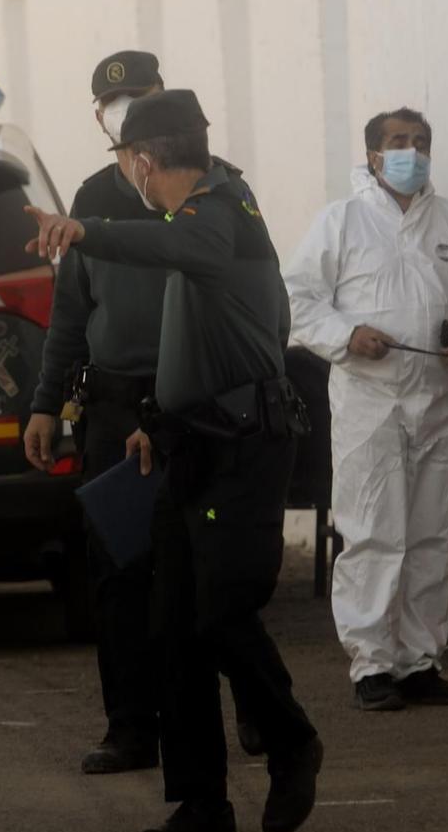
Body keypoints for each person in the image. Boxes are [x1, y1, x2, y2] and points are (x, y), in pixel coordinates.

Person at [25, 90, 322, 832]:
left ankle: (291, 739)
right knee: (175, 625)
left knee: (220, 608)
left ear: (145, 162)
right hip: (189, 437)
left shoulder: (221, 210)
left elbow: (179, 251)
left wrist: (85, 229)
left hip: (245, 442)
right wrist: (156, 424)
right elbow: (191, 332)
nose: (137, 184)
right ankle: (201, 804)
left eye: (134, 171)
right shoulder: (199, 209)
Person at [22, 49, 265, 774]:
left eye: (140, 98)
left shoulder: (220, 193)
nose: (127, 111)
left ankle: (252, 708)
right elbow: (71, 312)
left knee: (211, 570)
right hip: (116, 401)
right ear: (102, 120)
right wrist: (45, 401)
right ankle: (131, 726)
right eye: (114, 103)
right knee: (120, 572)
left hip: (196, 406)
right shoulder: (92, 194)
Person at [283, 107, 448, 711]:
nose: (410, 152)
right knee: (373, 533)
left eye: (420, 142)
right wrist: (347, 335)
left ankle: (421, 662)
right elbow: (300, 301)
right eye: (397, 142)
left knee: (435, 533)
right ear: (373, 156)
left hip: (439, 401)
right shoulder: (341, 224)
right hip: (370, 403)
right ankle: (372, 665)